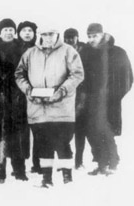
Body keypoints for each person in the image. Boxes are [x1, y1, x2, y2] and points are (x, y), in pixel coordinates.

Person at [15, 25, 84, 188]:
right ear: (40, 35)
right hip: (38, 108)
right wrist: (29, 91)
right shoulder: (30, 53)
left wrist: (61, 91)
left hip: (62, 108)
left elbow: (77, 74)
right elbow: (19, 74)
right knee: (42, 143)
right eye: (44, 34)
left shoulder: (68, 51)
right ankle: (46, 179)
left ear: (57, 34)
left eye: (51, 34)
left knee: (63, 142)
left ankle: (68, 179)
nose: (48, 37)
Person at [80, 23, 133, 175]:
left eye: (95, 36)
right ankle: (101, 163)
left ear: (103, 34)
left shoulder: (117, 52)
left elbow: (127, 79)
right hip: (91, 100)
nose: (91, 39)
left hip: (109, 101)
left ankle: (113, 163)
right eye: (89, 36)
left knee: (106, 131)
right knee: (92, 132)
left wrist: (115, 96)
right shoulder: (86, 53)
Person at [0, 18, 30, 183]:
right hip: (0, 97)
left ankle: (20, 170)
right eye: (5, 29)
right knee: (2, 135)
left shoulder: (23, 49)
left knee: (20, 133)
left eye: (11, 29)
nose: (8, 32)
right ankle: (1, 171)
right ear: (0, 32)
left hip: (20, 96)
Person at [64, 28, 89, 169]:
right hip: (66, 96)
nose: (69, 40)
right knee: (65, 131)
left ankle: (78, 161)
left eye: (72, 37)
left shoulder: (85, 52)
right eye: (66, 38)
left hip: (82, 94)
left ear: (77, 38)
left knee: (80, 130)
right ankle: (67, 158)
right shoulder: (62, 51)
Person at [16, 21, 39, 175]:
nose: (27, 33)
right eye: (23, 30)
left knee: (39, 131)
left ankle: (38, 164)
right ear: (19, 33)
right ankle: (20, 166)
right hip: (19, 96)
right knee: (21, 132)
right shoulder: (15, 50)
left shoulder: (40, 49)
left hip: (38, 97)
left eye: (30, 30)